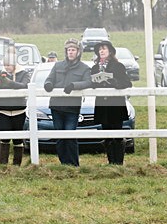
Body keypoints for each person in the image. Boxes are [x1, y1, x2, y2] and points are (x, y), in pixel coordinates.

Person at [44, 38, 92, 166]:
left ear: (78, 52)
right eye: (69, 50)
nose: (70, 52)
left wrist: (74, 85)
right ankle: (64, 164)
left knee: (70, 135)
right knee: (60, 137)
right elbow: (49, 79)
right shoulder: (57, 66)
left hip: (72, 107)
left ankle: (74, 164)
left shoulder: (84, 68)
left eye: (73, 50)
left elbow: (88, 82)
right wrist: (48, 84)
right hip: (56, 106)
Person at [90, 40, 132, 165]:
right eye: (99, 49)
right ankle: (111, 162)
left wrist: (115, 83)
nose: (101, 51)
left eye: (104, 48)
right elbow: (91, 83)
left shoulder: (118, 66)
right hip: (102, 105)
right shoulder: (94, 68)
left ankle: (119, 163)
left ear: (110, 51)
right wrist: (94, 84)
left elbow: (127, 83)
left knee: (117, 134)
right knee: (106, 134)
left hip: (115, 105)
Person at [0, 53, 31, 166]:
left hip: (19, 111)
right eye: (5, 65)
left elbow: (24, 85)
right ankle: (4, 164)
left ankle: (16, 165)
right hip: (3, 110)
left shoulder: (24, 73)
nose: (7, 67)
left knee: (18, 139)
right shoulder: (1, 74)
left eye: (9, 65)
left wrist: (9, 83)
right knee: (4, 138)